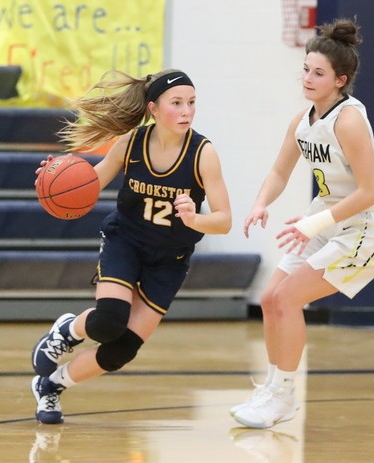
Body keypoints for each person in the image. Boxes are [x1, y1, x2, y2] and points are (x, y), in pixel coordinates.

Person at [31, 69, 232, 425]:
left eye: (191, 102)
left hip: (169, 259)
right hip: (126, 242)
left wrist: (194, 219)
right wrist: (56, 179)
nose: (186, 111)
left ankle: (50, 386)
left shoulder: (203, 153)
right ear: (153, 108)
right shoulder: (131, 143)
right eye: (176, 103)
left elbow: (224, 220)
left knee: (121, 350)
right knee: (108, 322)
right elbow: (90, 183)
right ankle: (68, 331)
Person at [231, 18, 374, 429]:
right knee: (270, 298)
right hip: (326, 220)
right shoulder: (302, 121)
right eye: (306, 69)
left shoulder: (349, 120)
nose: (307, 78)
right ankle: (276, 391)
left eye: (318, 73)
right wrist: (260, 204)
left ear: (340, 80)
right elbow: (279, 171)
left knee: (288, 299)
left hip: (366, 228)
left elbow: (369, 192)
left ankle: (283, 395)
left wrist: (312, 223)